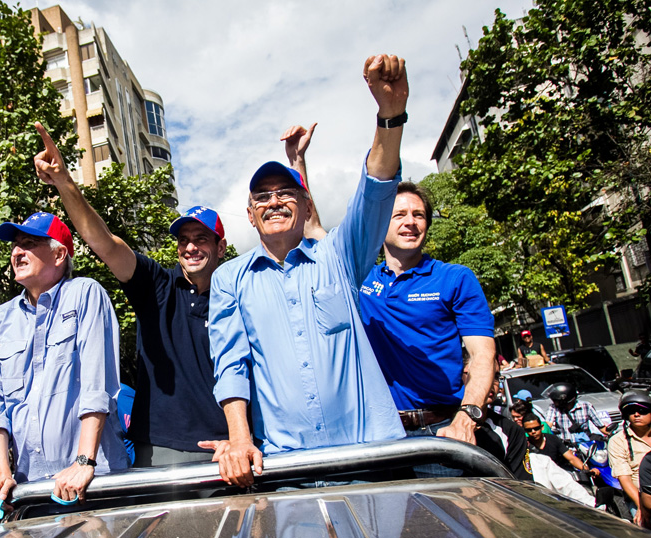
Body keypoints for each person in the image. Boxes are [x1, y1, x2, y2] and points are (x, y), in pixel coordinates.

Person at [206, 54, 409, 487]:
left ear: (307, 205)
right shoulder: (230, 279)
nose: (273, 201)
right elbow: (231, 364)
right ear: (249, 214)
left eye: (285, 193)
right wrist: (240, 439)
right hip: (286, 471)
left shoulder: (339, 257)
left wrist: (389, 116)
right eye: (261, 197)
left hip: (369, 464)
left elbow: (375, 187)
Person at [32, 122, 227, 466]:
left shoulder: (236, 297)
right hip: (159, 452)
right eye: (183, 240)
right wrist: (64, 181)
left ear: (221, 247)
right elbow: (103, 242)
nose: (191, 247)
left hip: (225, 451)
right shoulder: (157, 287)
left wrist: (241, 438)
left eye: (201, 239)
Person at [0, 211, 130, 510]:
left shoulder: (85, 293)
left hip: (92, 483)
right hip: (30, 491)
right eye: (15, 246)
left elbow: (97, 386)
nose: (17, 252)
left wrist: (83, 462)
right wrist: (1, 476)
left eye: (29, 243)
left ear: (59, 254)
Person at [358, 181, 496, 445]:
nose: (410, 222)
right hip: (382, 433)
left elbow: (483, 354)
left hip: (442, 430)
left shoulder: (456, 278)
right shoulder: (359, 278)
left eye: (418, 215)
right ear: (380, 224)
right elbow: (314, 228)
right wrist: (299, 159)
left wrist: (466, 419)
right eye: (399, 215)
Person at [609, 390, 651, 526]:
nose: (636, 415)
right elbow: (624, 479)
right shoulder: (618, 441)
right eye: (631, 411)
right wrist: (642, 506)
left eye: (642, 410)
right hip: (639, 497)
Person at [523, 415, 592, 475]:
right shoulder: (525, 445)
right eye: (529, 430)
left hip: (559, 475)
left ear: (542, 427)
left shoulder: (553, 439)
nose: (533, 432)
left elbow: (571, 458)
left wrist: (587, 470)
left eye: (536, 428)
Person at [545, 383, 611, 443]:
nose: (554, 403)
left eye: (556, 401)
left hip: (585, 445)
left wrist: (612, 435)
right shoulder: (553, 408)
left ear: (565, 400)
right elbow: (547, 426)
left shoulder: (586, 406)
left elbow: (601, 426)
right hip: (566, 447)